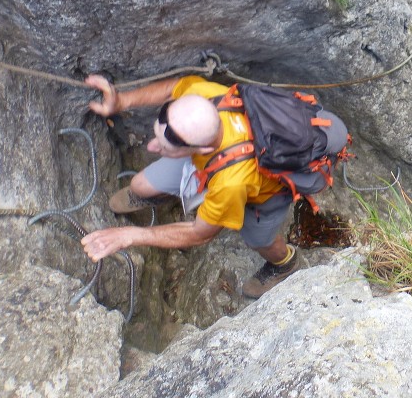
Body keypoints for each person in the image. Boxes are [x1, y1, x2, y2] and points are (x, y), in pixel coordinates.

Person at [80, 74, 347, 298]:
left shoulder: (230, 183)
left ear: (203, 148)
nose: (152, 147)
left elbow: (200, 233)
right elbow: (173, 88)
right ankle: (161, 194)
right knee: (139, 185)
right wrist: (123, 100)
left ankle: (284, 264)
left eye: (164, 147)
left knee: (259, 239)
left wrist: (130, 235)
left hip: (267, 189)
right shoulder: (204, 97)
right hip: (214, 161)